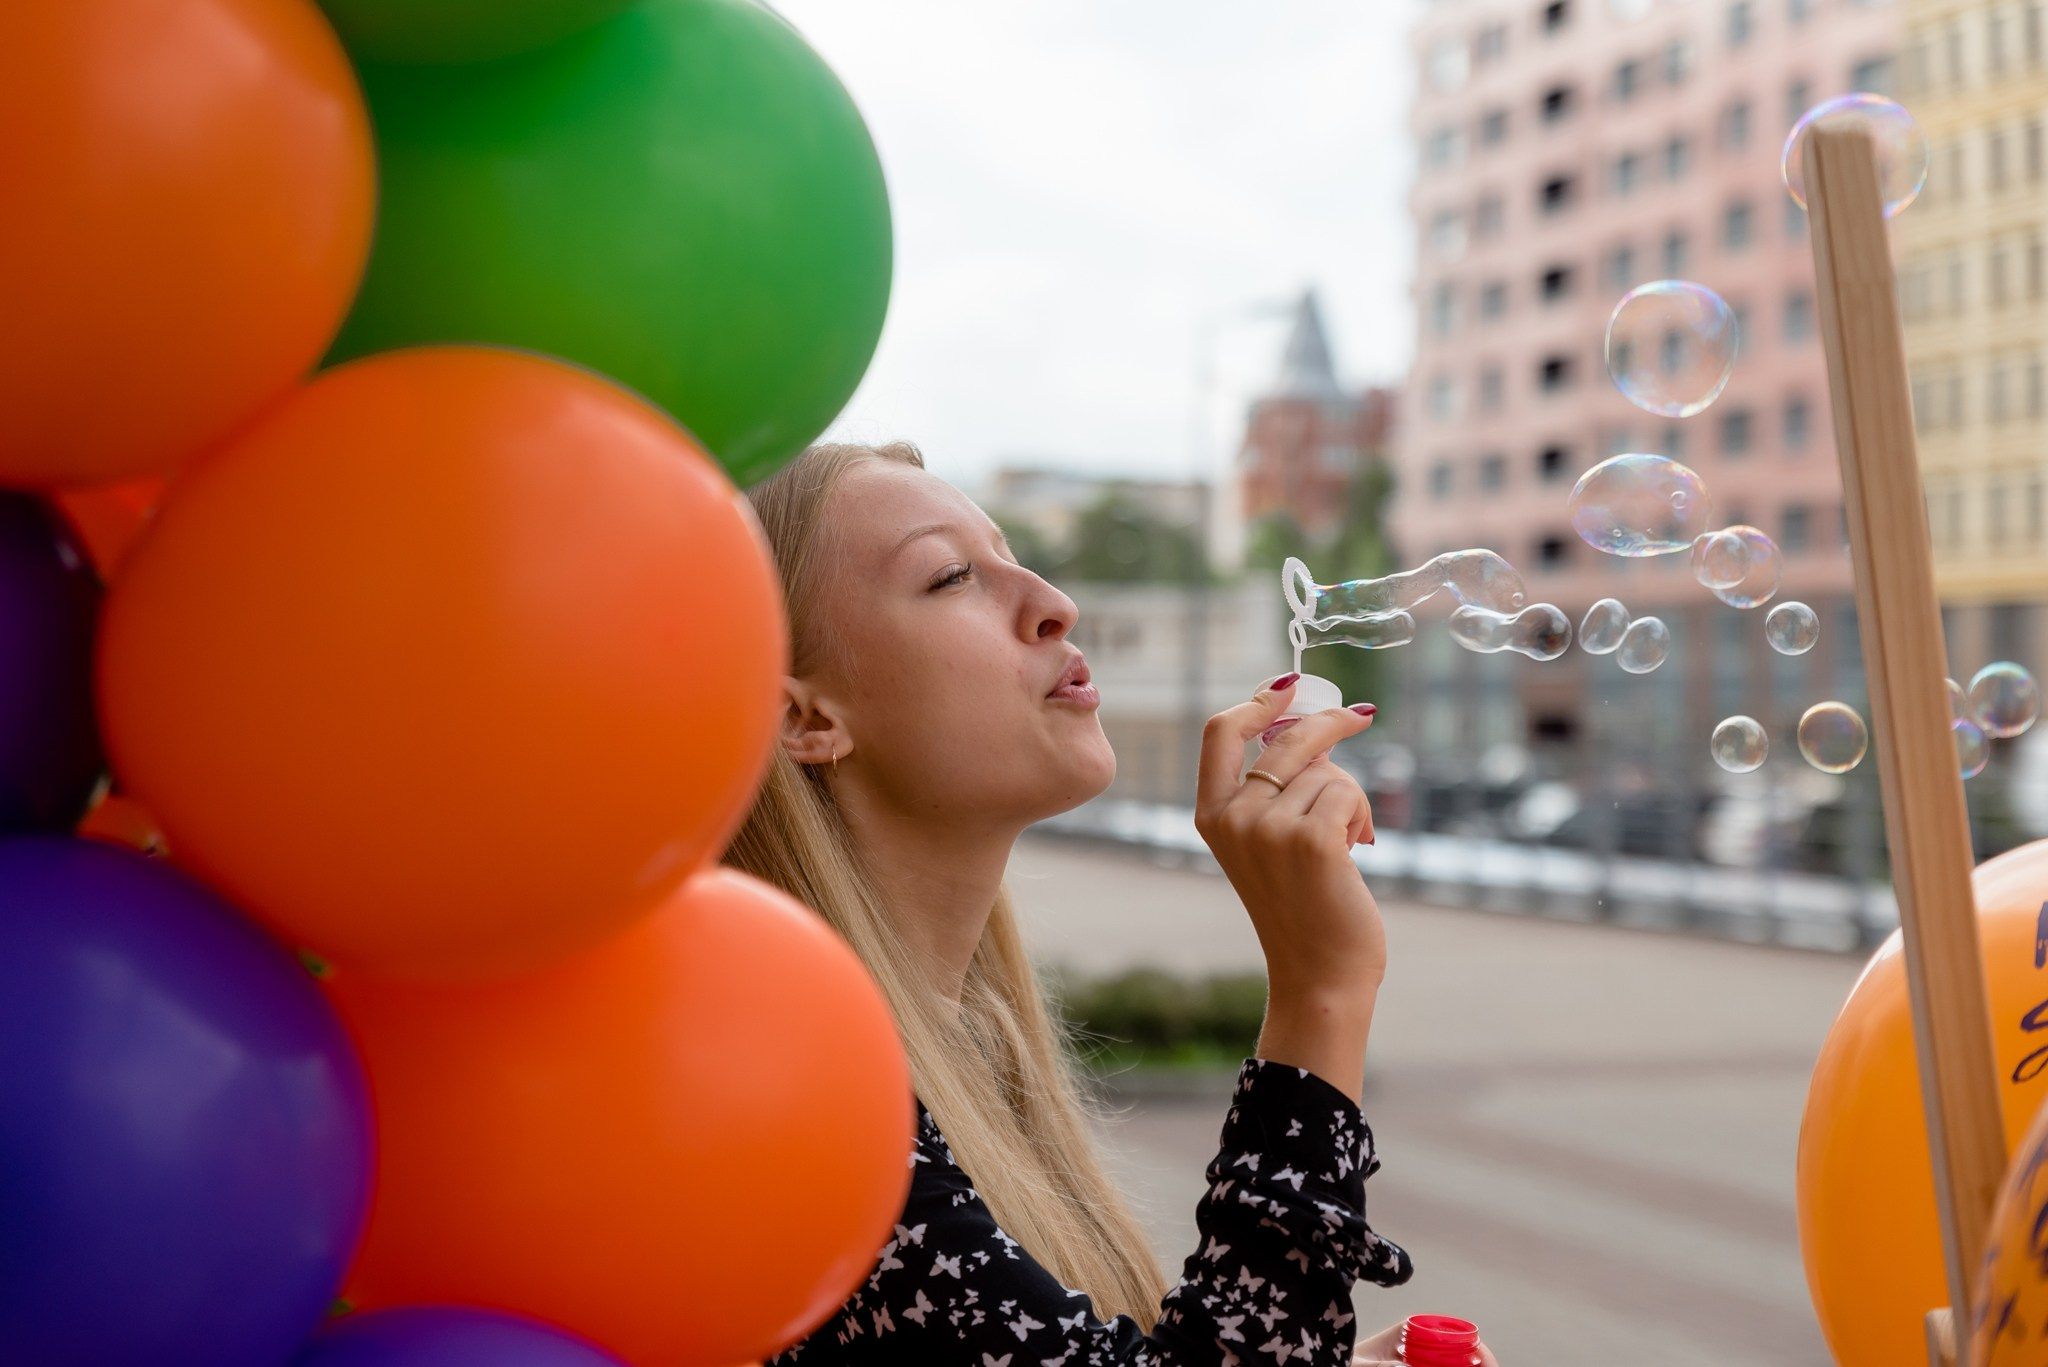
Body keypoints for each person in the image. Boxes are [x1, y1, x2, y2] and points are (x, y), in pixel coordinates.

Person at [727, 442, 1498, 1367]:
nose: (1054, 602)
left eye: (1013, 555)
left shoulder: (957, 1048)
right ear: (805, 718)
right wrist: (1321, 985)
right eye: (952, 576)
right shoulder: (803, 1101)